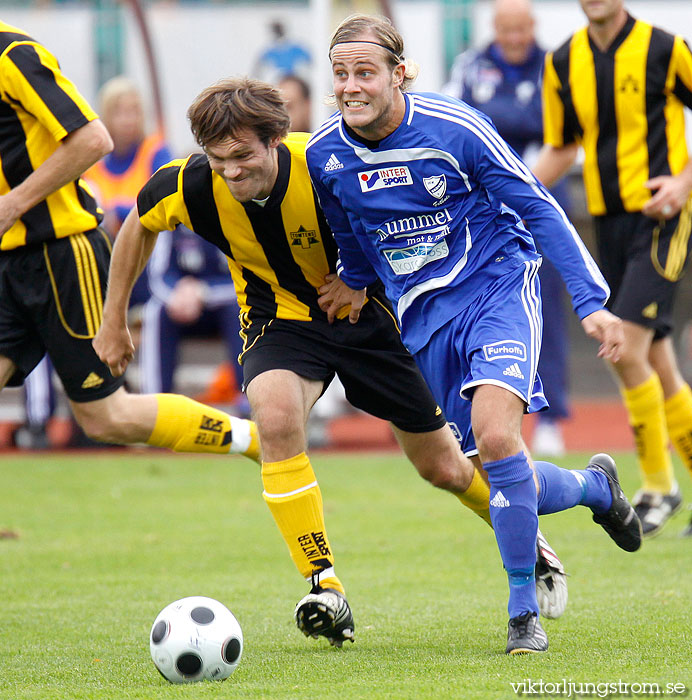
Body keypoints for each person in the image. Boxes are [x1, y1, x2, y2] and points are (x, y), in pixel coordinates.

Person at [93, 76, 570, 649]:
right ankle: (325, 586)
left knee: (443, 467)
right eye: (219, 161)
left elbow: (397, 220)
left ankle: (529, 540)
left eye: (243, 156)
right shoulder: (189, 187)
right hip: (282, 321)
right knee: (272, 417)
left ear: (276, 139)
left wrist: (373, 282)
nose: (232, 172)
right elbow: (136, 228)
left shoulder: (323, 163)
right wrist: (114, 318)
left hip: (368, 315)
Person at [307, 13, 641, 655]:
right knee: (491, 464)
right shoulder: (327, 155)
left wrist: (592, 301)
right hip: (424, 318)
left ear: (400, 74)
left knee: (496, 437)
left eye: (366, 72)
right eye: (341, 74)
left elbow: (538, 203)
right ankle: (596, 489)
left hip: (496, 284)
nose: (351, 86)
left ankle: (522, 612)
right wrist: (351, 277)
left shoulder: (454, 126)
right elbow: (347, 227)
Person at [0, 22, 258, 465]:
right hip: (9, 261)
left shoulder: (14, 55)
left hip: (61, 254)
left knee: (106, 417)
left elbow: (92, 139)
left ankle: (253, 438)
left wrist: (14, 203)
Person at [533, 0, 692, 536]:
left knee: (624, 348)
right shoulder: (562, 62)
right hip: (608, 224)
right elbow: (563, 147)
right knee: (658, 364)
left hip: (663, 218)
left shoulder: (665, 48)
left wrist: (682, 183)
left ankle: (658, 486)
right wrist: (510, 191)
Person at [443, 0, 571, 456]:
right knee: (473, 305)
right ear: (495, 28)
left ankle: (552, 416)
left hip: (541, 195)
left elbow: (562, 136)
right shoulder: (471, 66)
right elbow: (451, 123)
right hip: (480, 208)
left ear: (532, 26)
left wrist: (520, 185)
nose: (514, 39)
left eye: (521, 29)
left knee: (546, 311)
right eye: (506, 30)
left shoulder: (555, 66)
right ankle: (469, 420)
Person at [139, 224, 245, 398]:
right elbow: (158, 276)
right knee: (156, 311)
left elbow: (250, 279)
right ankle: (154, 399)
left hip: (226, 302)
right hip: (183, 305)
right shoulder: (171, 218)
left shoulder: (237, 214)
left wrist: (203, 292)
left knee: (241, 310)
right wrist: (177, 296)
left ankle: (248, 395)